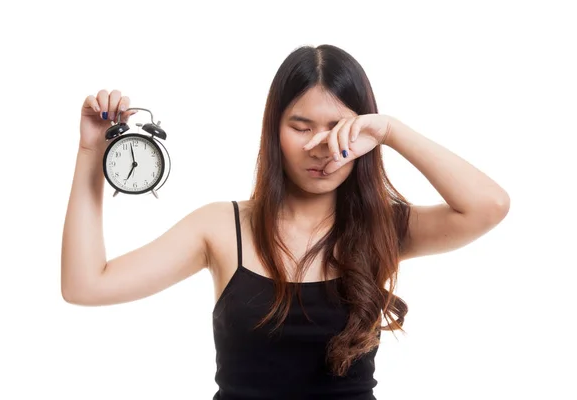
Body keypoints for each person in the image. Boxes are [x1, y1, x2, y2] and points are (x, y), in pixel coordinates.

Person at [61, 44, 510, 399]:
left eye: (339, 126)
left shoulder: (381, 227)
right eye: (301, 126)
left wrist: (392, 131)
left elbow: (489, 205)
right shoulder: (220, 227)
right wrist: (90, 154)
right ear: (274, 131)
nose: (321, 146)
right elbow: (86, 285)